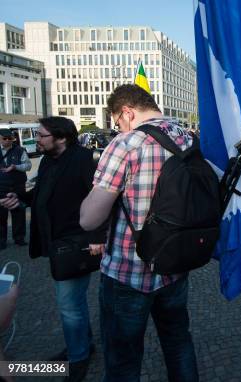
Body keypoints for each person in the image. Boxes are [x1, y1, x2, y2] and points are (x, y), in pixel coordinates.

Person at [79, 84, 198, 381]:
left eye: (117, 121)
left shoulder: (127, 143)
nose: (117, 128)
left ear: (128, 112)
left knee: (123, 360)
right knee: (178, 342)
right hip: (175, 266)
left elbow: (90, 220)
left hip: (128, 272)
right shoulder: (190, 140)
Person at [0, 117, 104, 382]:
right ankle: (82, 345)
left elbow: (98, 200)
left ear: (61, 137)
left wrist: (96, 238)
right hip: (54, 241)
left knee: (69, 304)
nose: (37, 140)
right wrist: (20, 199)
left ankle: (78, 358)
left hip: (75, 242)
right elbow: (41, 194)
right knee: (74, 303)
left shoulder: (84, 159)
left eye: (41, 135)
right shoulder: (47, 160)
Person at [0, 130, 31, 249]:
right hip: (1, 188)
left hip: (17, 187)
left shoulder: (20, 150)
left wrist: (15, 167)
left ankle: (19, 237)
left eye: (9, 138)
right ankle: (1, 240)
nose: (7, 141)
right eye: (4, 138)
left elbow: (28, 166)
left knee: (18, 213)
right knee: (1, 215)